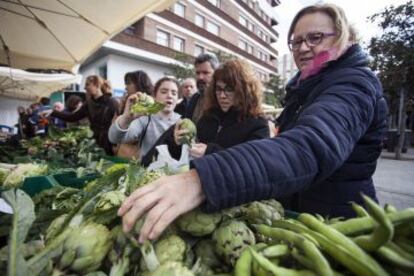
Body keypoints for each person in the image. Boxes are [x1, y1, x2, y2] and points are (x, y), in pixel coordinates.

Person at [118, 3, 388, 243]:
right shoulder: (305, 89)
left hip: (342, 230)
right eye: (296, 42)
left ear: (344, 37)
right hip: (303, 224)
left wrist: (203, 180)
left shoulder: (354, 84)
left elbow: (307, 147)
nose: (304, 47)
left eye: (315, 38)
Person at [143, 60, 269, 165]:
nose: (222, 96)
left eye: (229, 89)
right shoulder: (208, 117)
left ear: (244, 90)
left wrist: (210, 151)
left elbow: (254, 163)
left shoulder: (258, 124)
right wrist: (177, 143)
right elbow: (185, 155)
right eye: (218, 89)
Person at [42, 75, 119, 155]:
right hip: (95, 143)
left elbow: (119, 125)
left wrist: (116, 144)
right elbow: (72, 117)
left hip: (110, 143)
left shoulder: (112, 103)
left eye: (87, 84)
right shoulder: (88, 104)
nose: (85, 88)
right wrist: (53, 112)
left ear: (96, 85)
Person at [108, 77, 181, 161]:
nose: (169, 96)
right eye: (164, 92)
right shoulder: (145, 119)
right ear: (155, 96)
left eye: (174, 93)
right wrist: (126, 118)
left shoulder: (182, 121)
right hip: (148, 172)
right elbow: (114, 138)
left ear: (177, 98)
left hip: (176, 173)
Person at [184, 53, 219, 123]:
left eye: (205, 73)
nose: (200, 77)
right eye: (198, 73)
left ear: (216, 73)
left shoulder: (221, 100)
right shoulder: (194, 99)